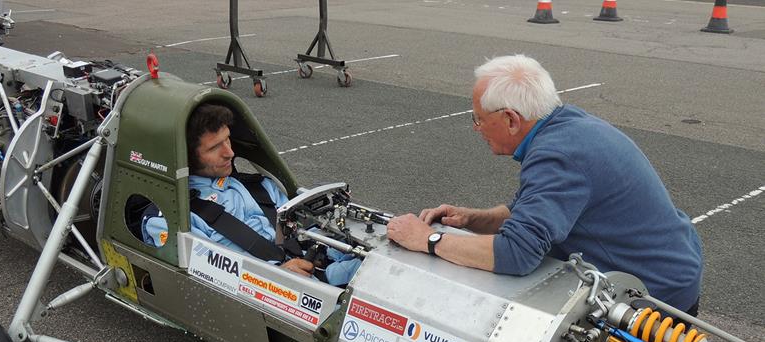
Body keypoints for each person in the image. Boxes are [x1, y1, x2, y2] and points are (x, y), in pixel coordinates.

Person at [387, 54, 702, 313]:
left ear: (511, 119)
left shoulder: (558, 156)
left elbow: (516, 254)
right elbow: (536, 213)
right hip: (670, 265)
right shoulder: (567, 126)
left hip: (653, 293)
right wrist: (474, 219)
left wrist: (427, 239)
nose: (476, 128)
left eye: (479, 119)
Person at [142, 103, 360, 286]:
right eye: (214, 147)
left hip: (312, 265)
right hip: (269, 289)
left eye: (227, 139)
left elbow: (298, 229)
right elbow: (203, 273)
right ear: (186, 157)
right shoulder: (172, 217)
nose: (229, 152)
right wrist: (275, 276)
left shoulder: (261, 186)